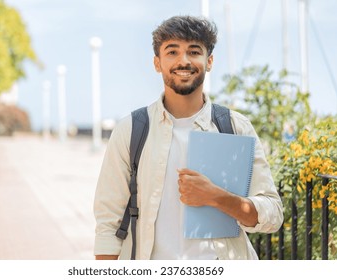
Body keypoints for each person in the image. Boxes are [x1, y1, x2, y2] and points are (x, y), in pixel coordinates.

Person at [94, 15, 283, 260]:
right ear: (157, 62)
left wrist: (218, 197)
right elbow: (108, 223)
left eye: (194, 52)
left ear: (209, 61)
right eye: (172, 52)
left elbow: (273, 214)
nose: (183, 61)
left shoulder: (235, 127)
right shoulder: (131, 129)